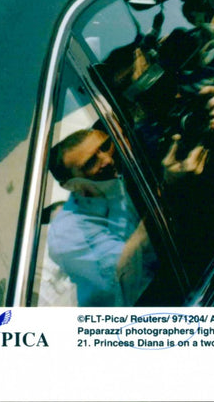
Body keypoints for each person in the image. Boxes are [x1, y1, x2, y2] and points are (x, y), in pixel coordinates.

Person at [47, 127, 158, 306]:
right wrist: (169, 190)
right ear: (69, 185)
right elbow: (124, 273)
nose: (107, 159)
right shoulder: (66, 233)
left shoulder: (119, 181)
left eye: (106, 147)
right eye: (90, 162)